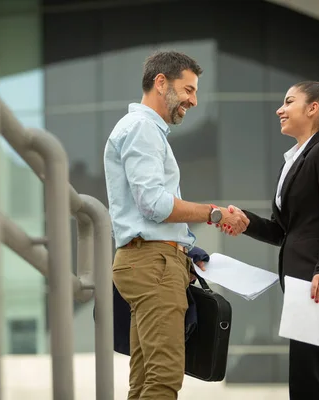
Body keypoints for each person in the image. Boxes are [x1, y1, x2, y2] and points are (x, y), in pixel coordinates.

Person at [103, 50, 248, 400]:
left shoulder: (141, 130)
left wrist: (184, 244)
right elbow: (154, 204)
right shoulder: (142, 129)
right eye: (188, 89)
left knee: (145, 379)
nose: (194, 100)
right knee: (165, 377)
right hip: (153, 265)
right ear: (160, 82)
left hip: (151, 261)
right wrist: (214, 213)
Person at [227, 77, 319, 399]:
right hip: (308, 283)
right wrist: (245, 223)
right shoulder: (295, 160)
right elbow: (284, 231)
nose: (280, 109)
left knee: (311, 383)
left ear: (313, 108)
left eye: (289, 102)